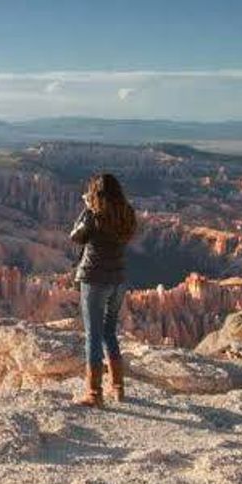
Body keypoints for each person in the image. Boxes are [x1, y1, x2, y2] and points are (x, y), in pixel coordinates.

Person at [69, 173, 137, 408]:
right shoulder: (127, 214)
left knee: (93, 335)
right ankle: (118, 388)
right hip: (118, 280)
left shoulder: (93, 215)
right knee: (109, 331)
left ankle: (93, 393)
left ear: (95, 194)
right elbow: (127, 237)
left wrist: (86, 209)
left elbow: (75, 237)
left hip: (94, 279)